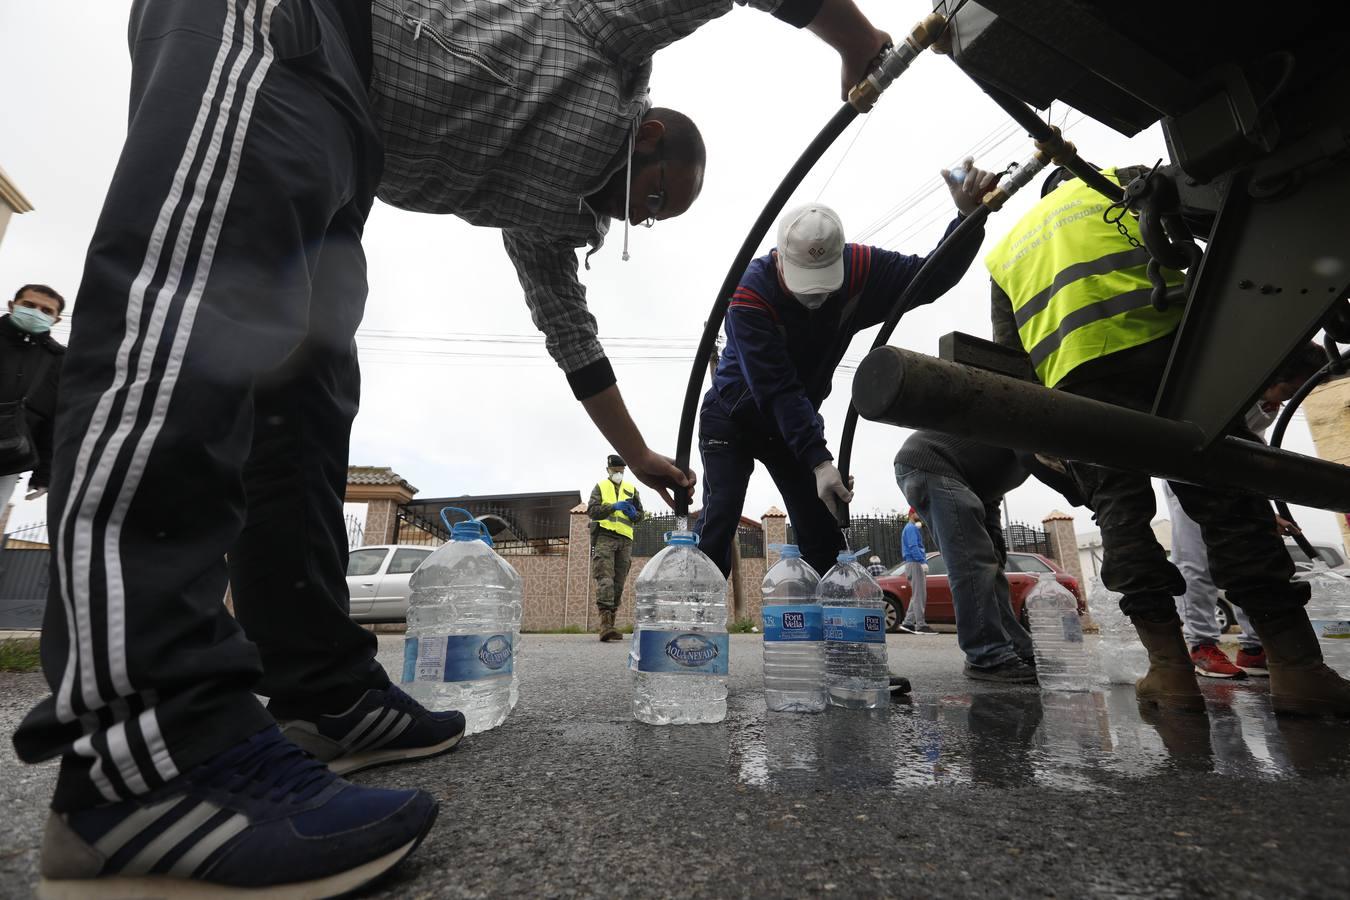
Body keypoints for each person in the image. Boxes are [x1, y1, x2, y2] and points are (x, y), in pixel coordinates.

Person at [14, 0, 896, 893]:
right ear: (650, 136)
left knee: (305, 390)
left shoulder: (551, 219)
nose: (651, 219)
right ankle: (148, 747)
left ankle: (324, 691)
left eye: (660, 220)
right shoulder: (610, 40)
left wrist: (638, 455)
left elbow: (572, 339)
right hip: (287, 28)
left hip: (343, 132)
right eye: (662, 196)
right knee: (201, 307)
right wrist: (853, 40)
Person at [987, 164, 1350, 715]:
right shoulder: (1120, 178)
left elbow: (1009, 354)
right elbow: (1227, 226)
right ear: (1074, 175)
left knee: (1121, 518)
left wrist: (1041, 433)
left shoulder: (1007, 247)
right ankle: (1297, 668)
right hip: (1178, 357)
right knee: (1230, 504)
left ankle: (1170, 672)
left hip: (1080, 385)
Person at [696, 162, 1000, 578]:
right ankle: (691, 629)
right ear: (781, 262)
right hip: (732, 417)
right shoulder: (750, 296)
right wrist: (821, 461)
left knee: (821, 533)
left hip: (792, 425)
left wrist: (968, 218)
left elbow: (928, 279)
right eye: (806, 285)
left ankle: (829, 634)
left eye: (825, 284)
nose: (816, 299)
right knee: (719, 519)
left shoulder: (861, 270)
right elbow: (777, 388)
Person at [1166, 344, 1327, 679]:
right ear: (1272, 373)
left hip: (1234, 472)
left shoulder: (1267, 404)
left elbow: (1250, 456)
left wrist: (1266, 513)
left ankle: (1254, 647)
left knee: (1251, 551)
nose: (1283, 402)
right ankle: (1201, 645)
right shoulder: (1229, 384)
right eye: (1287, 390)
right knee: (1197, 560)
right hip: (1188, 466)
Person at [896, 434, 1036, 680]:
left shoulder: (992, 461)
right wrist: (1083, 494)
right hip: (933, 463)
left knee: (990, 567)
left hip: (969, 483)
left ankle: (1016, 646)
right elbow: (1035, 457)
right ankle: (987, 655)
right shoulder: (1037, 430)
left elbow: (990, 492)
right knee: (972, 563)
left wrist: (994, 542)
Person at [0, 285, 65, 511]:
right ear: (12, 305)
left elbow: (55, 418)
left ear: (55, 320)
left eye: (46, 311)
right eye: (28, 305)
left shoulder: (58, 360)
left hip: (7, 457)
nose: (36, 312)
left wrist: (44, 473)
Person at [587, 454, 644, 641]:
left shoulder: (631, 489)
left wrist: (634, 513)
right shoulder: (601, 487)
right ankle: (605, 626)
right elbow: (592, 511)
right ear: (608, 470)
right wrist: (613, 507)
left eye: (621, 471)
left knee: (619, 582)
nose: (618, 474)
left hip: (625, 540)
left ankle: (612, 624)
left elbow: (640, 516)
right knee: (605, 579)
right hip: (605, 536)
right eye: (615, 471)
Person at [897, 506, 938, 634]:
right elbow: (913, 546)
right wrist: (922, 561)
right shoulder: (911, 528)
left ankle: (908, 623)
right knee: (920, 595)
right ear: (911, 514)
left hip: (912, 563)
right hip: (915, 563)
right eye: (917, 513)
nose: (920, 515)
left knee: (917, 595)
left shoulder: (910, 528)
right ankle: (920, 625)